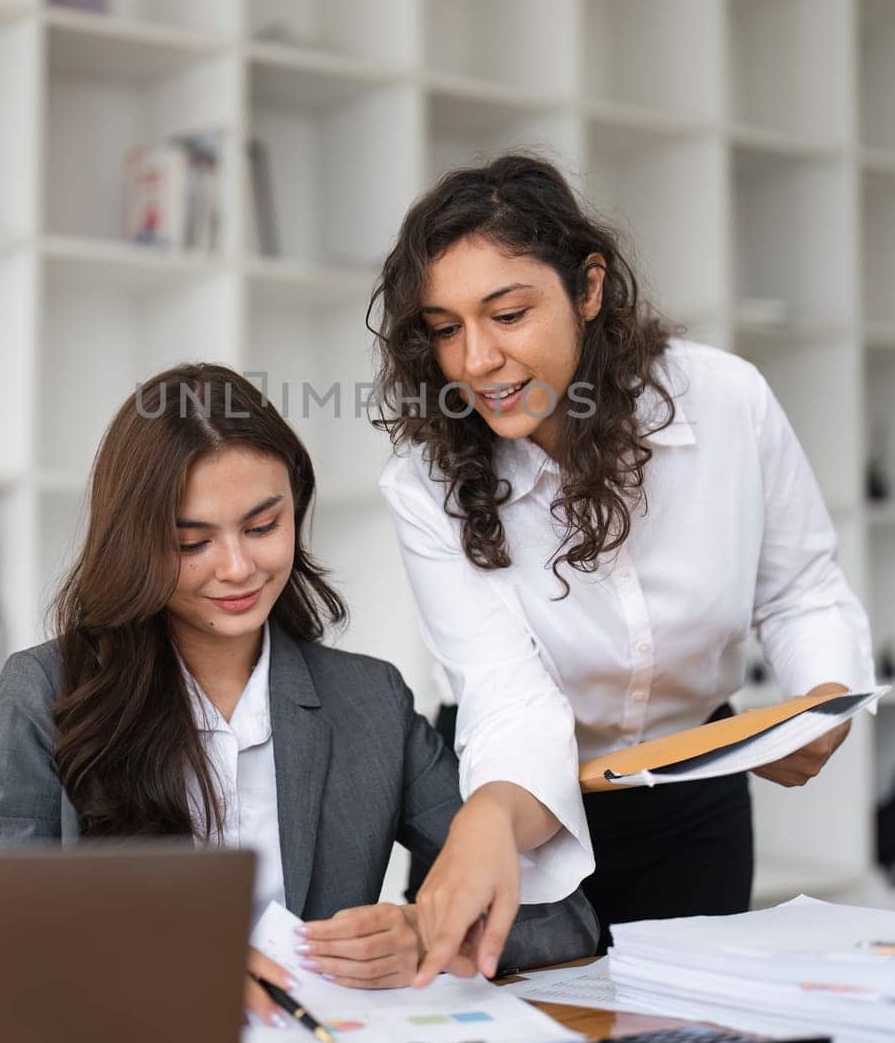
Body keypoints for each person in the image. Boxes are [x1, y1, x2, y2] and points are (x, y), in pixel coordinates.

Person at [0, 363, 598, 1024]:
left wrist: (423, 935)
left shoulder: (368, 701)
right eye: (192, 541)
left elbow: (560, 919)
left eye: (262, 526)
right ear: (134, 543)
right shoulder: (45, 691)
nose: (237, 567)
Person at [370, 153, 875, 976]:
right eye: (446, 327)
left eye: (507, 314)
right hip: (505, 803)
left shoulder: (726, 401)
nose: (475, 361)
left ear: (589, 287)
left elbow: (800, 590)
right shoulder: (424, 485)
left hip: (692, 800)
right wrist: (489, 823)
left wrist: (819, 701)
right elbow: (508, 696)